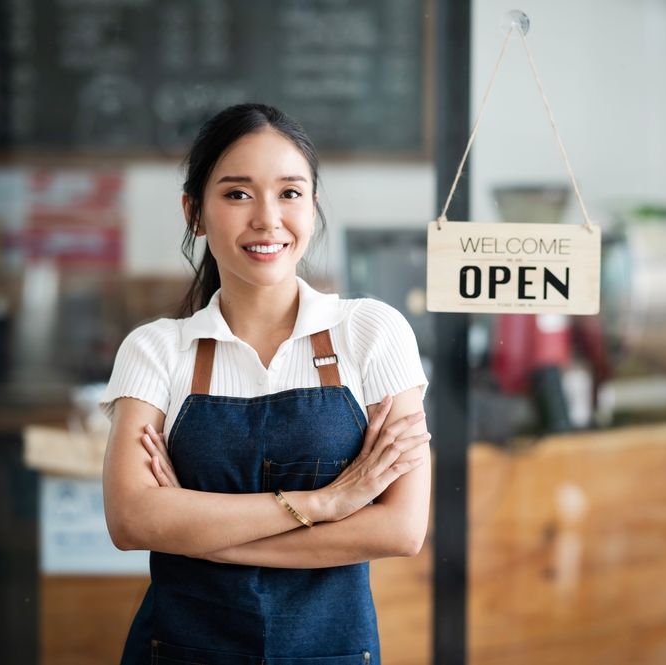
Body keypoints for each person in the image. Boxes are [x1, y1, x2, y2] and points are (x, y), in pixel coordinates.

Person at [99, 103, 431, 665]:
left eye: (290, 193)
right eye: (237, 194)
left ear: (313, 206)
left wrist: (202, 532)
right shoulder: (156, 349)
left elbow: (399, 529)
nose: (268, 219)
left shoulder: (372, 333)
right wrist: (328, 502)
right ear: (194, 212)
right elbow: (131, 521)